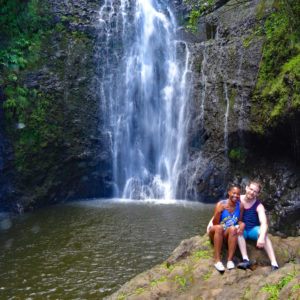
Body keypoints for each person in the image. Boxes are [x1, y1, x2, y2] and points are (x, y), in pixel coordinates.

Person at [236, 181, 279, 271]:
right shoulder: (237, 199)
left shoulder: (259, 206)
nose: (252, 192)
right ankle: (246, 260)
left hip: (252, 229)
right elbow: (223, 209)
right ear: (247, 188)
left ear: (258, 194)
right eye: (251, 189)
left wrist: (262, 237)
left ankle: (274, 264)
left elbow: (264, 223)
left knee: (263, 233)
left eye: (255, 191)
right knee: (237, 229)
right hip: (241, 229)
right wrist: (211, 223)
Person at [207, 184, 245, 272]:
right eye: (234, 193)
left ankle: (230, 260)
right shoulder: (220, 204)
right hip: (216, 232)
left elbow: (238, 220)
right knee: (219, 228)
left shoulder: (240, 206)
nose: (235, 196)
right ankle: (217, 260)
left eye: (238, 194)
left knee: (233, 228)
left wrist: (242, 224)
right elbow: (215, 223)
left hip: (226, 234)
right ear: (229, 192)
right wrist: (219, 211)